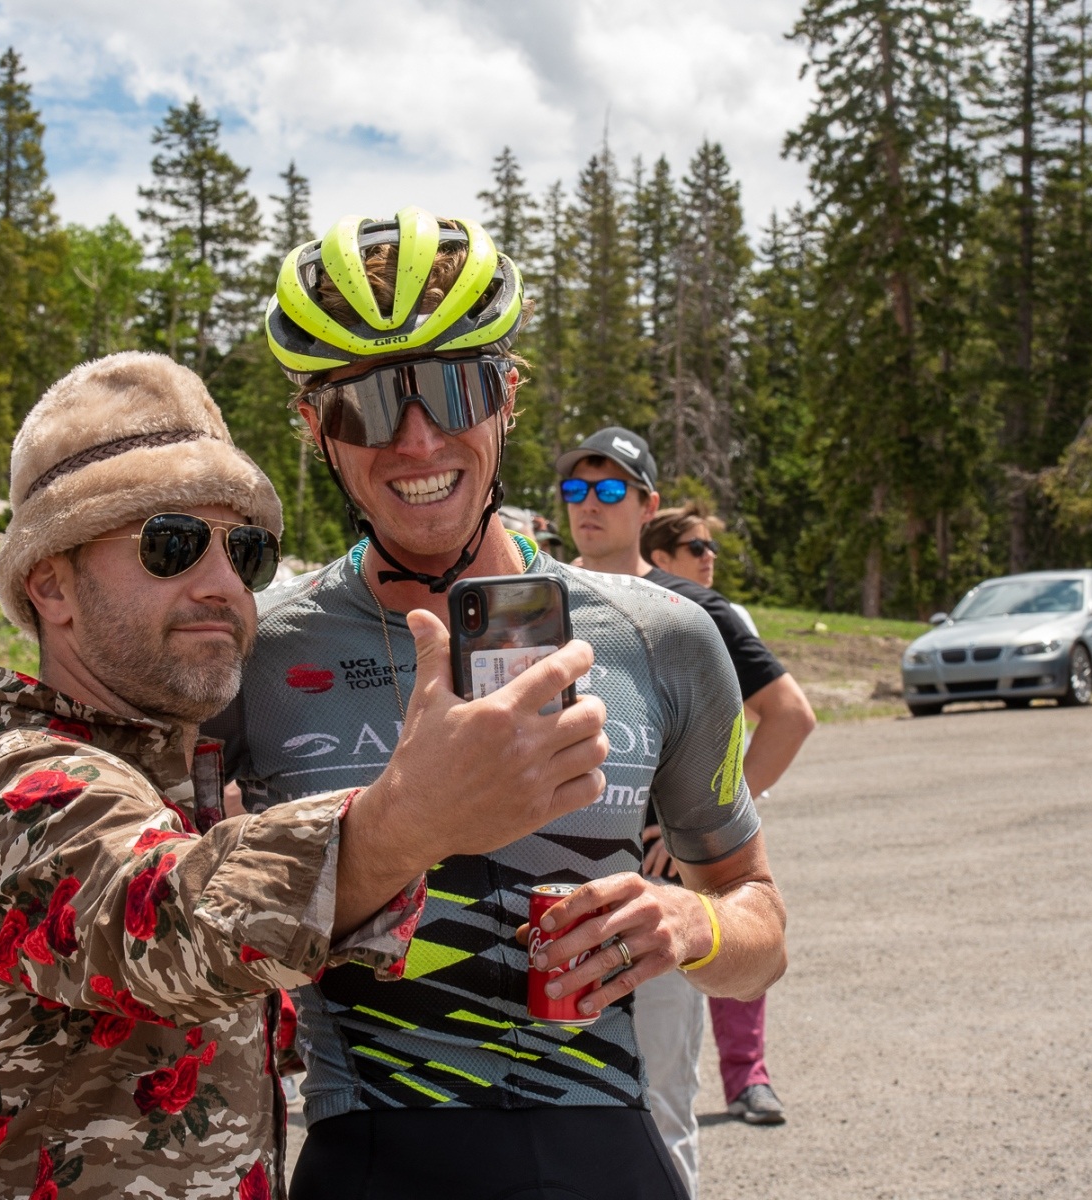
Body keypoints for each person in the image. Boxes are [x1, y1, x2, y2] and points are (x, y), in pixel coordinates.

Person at [0, 351, 610, 1198]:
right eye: (172, 545)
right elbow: (169, 920)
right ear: (51, 583)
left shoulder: (171, 797)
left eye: (247, 552)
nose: (225, 585)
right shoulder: (12, 793)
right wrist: (410, 816)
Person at [233, 206, 786, 1199]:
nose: (414, 438)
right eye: (362, 405)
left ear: (507, 395)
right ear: (313, 426)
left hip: (604, 1148)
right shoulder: (257, 650)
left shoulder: (660, 635)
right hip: (367, 1153)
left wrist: (689, 925)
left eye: (450, 387)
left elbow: (760, 923)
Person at [562, 430, 814, 1187]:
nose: (590, 507)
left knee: (661, 1099)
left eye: (611, 492)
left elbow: (790, 714)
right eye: (577, 491)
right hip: (552, 891)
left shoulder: (691, 609)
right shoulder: (534, 596)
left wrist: (705, 821)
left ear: (649, 505)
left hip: (659, 895)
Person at [641, 499, 816, 1127]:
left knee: (741, 944)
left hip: (713, 819)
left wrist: (720, 808)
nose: (710, 558)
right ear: (659, 555)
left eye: (711, 548)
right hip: (648, 836)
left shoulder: (719, 616)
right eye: (696, 548)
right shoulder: (613, 605)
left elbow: (786, 714)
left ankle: (748, 1081)